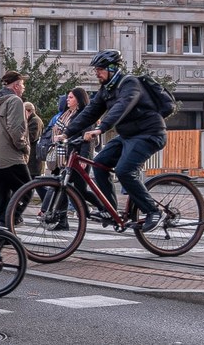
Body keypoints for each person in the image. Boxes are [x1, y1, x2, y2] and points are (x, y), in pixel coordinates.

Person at [65, 49, 169, 231]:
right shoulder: (106, 89)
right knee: (99, 164)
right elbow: (90, 112)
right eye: (96, 69)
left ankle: (153, 211)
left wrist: (101, 128)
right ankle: (110, 209)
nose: (96, 72)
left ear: (112, 68)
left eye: (100, 69)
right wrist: (66, 133)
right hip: (129, 135)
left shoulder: (130, 83)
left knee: (124, 171)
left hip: (149, 134)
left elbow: (122, 106)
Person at [0, 71, 30, 227]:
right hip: (9, 156)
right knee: (27, 190)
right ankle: (9, 222)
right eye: (22, 84)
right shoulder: (15, 101)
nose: (23, 88)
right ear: (16, 85)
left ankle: (1, 233)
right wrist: (24, 148)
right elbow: (16, 130)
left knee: (1, 196)